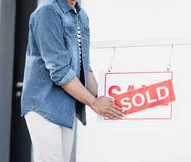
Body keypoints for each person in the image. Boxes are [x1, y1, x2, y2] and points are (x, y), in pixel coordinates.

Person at [21, 0, 124, 161]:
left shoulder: (81, 16)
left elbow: (84, 65)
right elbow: (59, 70)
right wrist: (94, 103)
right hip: (43, 104)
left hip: (67, 107)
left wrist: (104, 98)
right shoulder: (47, 13)